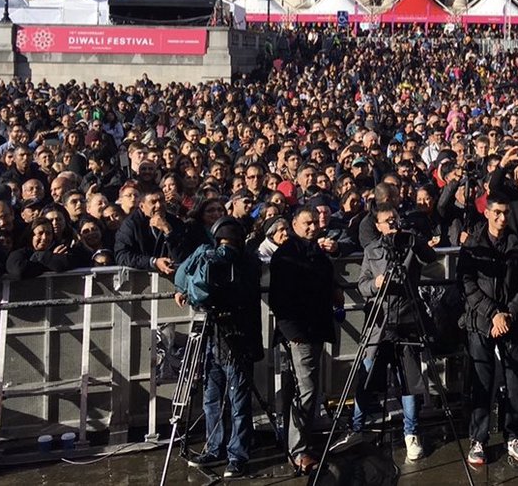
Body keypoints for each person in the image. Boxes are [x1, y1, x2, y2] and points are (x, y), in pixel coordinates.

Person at [351, 202, 439, 461]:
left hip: (407, 319)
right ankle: (356, 428)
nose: (392, 223)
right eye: (387, 220)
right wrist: (375, 284)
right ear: (378, 226)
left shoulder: (410, 242)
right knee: (367, 376)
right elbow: (362, 284)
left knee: (409, 380)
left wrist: (414, 239)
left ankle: (411, 432)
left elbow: (430, 258)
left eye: (394, 218)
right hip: (379, 323)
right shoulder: (372, 250)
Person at [179, 217, 263, 479]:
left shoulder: (248, 263)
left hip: (238, 338)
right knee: (211, 398)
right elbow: (188, 280)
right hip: (213, 336)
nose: (225, 248)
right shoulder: (210, 258)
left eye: (230, 242)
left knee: (238, 401)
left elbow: (231, 293)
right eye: (222, 243)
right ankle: (214, 447)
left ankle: (238, 455)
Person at [458, 191, 518, 466]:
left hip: (511, 321)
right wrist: (492, 314)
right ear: (487, 213)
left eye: (506, 213)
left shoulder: (517, 245)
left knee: (515, 383)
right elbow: (466, 284)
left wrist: (508, 314)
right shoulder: (473, 245)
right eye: (497, 213)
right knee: (482, 383)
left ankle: (513, 434)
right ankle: (478, 438)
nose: (502, 218)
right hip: (481, 322)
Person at [269, 205, 343, 475]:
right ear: (294, 225)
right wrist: (293, 333)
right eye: (307, 223)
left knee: (304, 389)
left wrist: (335, 289)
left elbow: (323, 278)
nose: (313, 227)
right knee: (307, 390)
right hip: (299, 332)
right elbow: (279, 298)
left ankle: (298, 445)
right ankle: (298, 451)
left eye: (315, 222)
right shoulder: (286, 254)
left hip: (315, 328)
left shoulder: (317, 252)